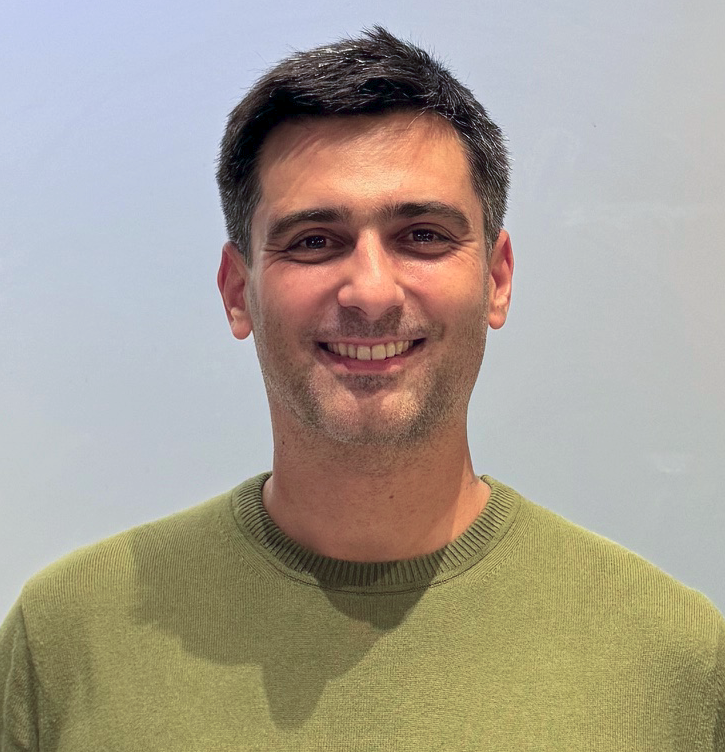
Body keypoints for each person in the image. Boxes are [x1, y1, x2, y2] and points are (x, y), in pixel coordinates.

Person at [1, 26, 723, 751]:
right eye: (314, 241)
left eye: (423, 236)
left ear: (496, 279)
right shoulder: (67, 640)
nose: (371, 292)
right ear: (238, 291)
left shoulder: (673, 659)